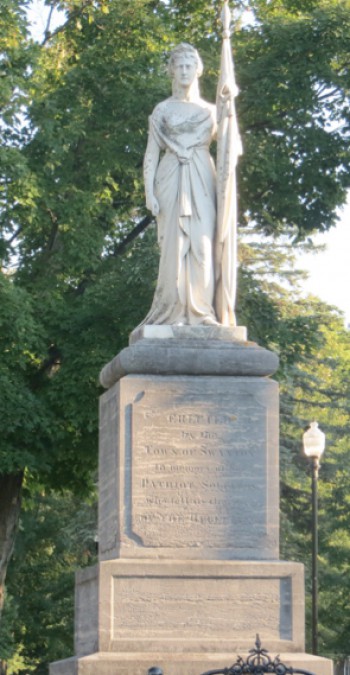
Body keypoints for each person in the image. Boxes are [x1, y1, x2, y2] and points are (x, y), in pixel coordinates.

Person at [142, 43, 220, 326]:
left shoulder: (212, 111)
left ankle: (202, 313)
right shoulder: (162, 109)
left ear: (198, 70)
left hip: (201, 174)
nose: (185, 71)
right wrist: (148, 191)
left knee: (202, 246)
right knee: (174, 247)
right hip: (171, 174)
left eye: (190, 65)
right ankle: (173, 312)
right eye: (180, 66)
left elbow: (230, 146)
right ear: (172, 71)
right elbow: (152, 151)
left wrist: (230, 106)